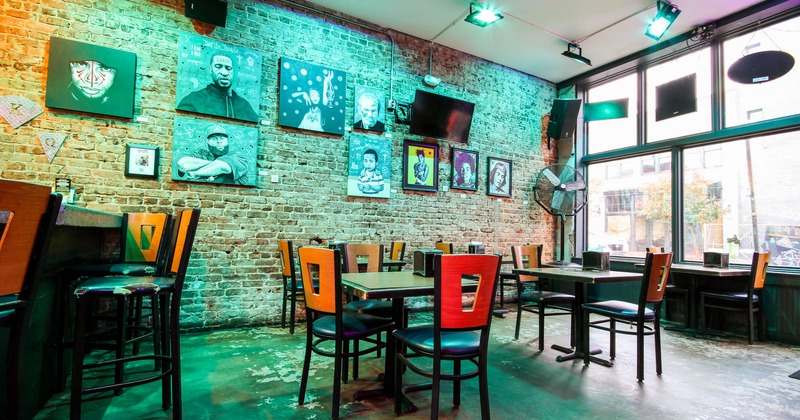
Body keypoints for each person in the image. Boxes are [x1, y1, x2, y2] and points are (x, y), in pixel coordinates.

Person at [177, 53, 259, 122]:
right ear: (210, 69)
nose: (224, 72)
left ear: (233, 71)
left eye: (228, 68)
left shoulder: (244, 105)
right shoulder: (194, 99)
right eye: (218, 66)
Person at [177, 124, 252, 185]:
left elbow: (222, 167)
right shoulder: (201, 154)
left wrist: (195, 173)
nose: (219, 141)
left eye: (222, 138)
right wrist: (212, 166)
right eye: (214, 139)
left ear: (227, 141)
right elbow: (182, 164)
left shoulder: (237, 157)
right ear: (207, 142)